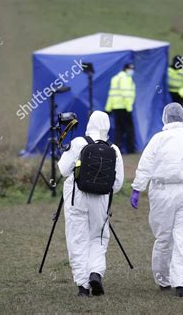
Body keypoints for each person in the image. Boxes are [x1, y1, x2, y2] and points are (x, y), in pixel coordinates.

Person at [130, 102, 183, 298]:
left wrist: (137, 188)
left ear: (165, 119)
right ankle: (182, 284)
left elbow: (145, 165)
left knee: (163, 238)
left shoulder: (158, 138)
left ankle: (163, 280)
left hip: (162, 193)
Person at [58, 111, 124, 297]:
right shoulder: (115, 149)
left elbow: (63, 170)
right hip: (101, 201)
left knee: (77, 239)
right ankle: (95, 272)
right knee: (98, 238)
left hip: (76, 198)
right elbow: (117, 185)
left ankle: (82, 286)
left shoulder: (79, 142)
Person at [104, 63, 136, 153]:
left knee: (119, 130)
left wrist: (108, 109)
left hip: (116, 108)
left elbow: (111, 94)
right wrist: (129, 108)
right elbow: (125, 94)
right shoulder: (126, 79)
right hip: (125, 108)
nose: (132, 71)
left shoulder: (115, 78)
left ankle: (118, 149)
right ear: (125, 69)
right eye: (131, 69)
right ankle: (131, 150)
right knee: (129, 129)